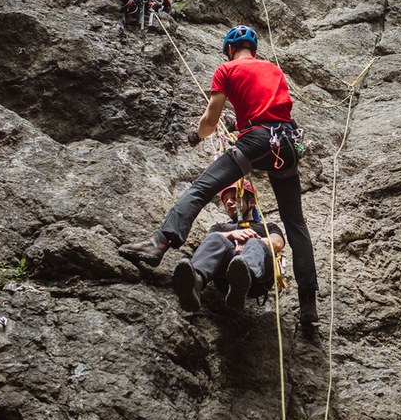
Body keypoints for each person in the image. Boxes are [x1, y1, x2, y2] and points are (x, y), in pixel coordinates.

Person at [118, 25, 319, 324]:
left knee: (201, 189)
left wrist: (196, 136)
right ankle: (308, 305)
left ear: (228, 49)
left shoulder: (226, 69)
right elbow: (277, 110)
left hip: (255, 141)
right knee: (295, 224)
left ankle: (158, 243)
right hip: (286, 146)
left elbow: (210, 121)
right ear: (255, 50)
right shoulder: (273, 70)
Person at [172, 180, 284, 313]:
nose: (229, 202)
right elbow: (208, 243)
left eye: (235, 197)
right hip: (225, 277)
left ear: (252, 202)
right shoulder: (220, 227)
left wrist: (251, 242)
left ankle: (244, 277)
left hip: (258, 280)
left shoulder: (268, 227)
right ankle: (195, 283)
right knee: (214, 237)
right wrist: (232, 234)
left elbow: (277, 243)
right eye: (225, 200)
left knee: (254, 243)